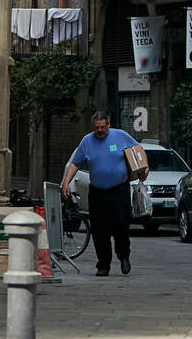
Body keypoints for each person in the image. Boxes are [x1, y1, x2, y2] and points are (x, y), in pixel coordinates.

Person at [62, 111, 148, 276]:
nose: (100, 131)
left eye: (102, 127)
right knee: (99, 230)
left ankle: (124, 256)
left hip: (119, 190)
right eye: (96, 128)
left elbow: (138, 149)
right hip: (97, 192)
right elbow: (75, 163)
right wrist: (66, 182)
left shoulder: (121, 136)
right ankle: (103, 264)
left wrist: (145, 167)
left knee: (121, 225)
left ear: (108, 124)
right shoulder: (87, 141)